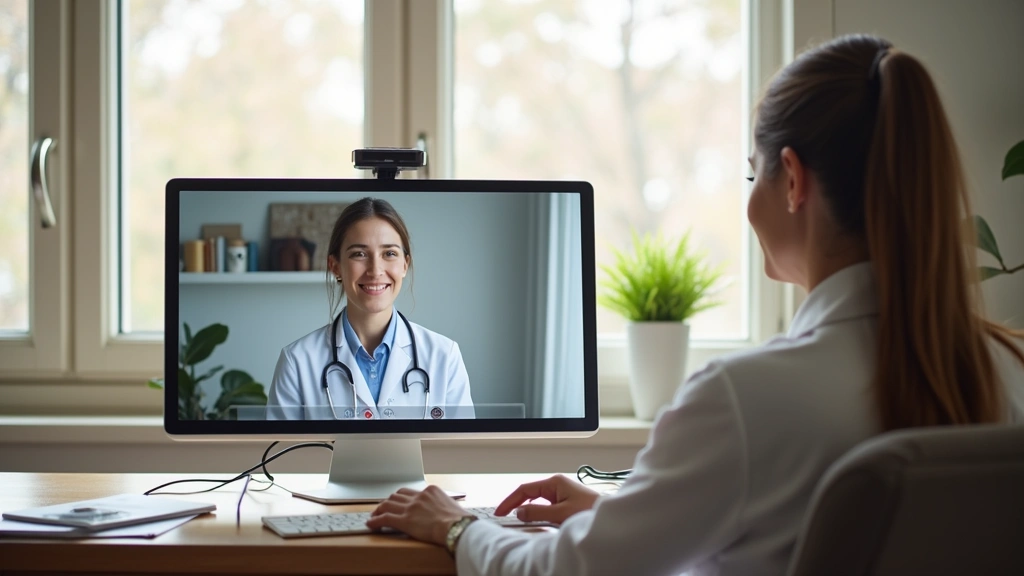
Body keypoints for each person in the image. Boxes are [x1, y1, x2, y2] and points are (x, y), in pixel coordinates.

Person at [361, 34, 1024, 575]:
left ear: (791, 179)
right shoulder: (1009, 368)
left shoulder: (747, 397)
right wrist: (620, 513)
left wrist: (456, 528)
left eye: (750, 173)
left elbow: (566, 575)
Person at [266, 197, 475, 420]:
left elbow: (462, 453)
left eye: (389, 254)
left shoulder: (444, 356)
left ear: (405, 264)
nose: (375, 270)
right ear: (335, 266)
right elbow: (281, 453)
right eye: (359, 254)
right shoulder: (297, 360)